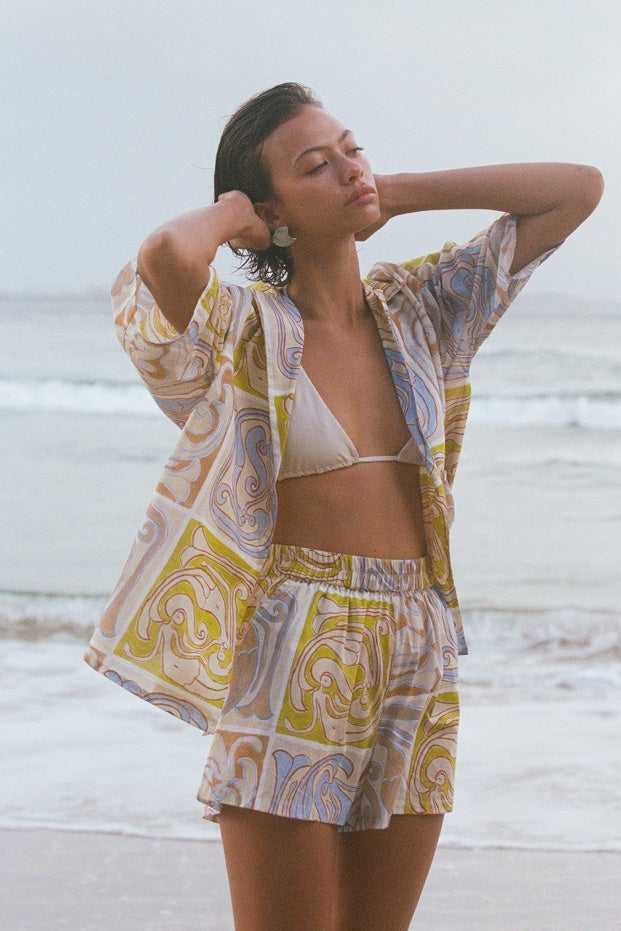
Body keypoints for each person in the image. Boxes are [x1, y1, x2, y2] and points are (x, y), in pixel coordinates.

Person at [84, 82, 603, 930]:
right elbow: (168, 254)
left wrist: (390, 193)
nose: (349, 169)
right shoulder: (240, 331)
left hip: (418, 636)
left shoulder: (424, 312)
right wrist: (236, 215)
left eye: (351, 149)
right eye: (314, 166)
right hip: (292, 638)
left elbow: (574, 189)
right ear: (270, 210)